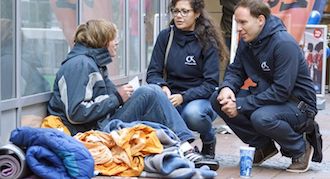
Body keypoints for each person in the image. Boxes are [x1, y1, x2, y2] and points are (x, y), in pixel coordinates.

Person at [47, 19, 218, 170]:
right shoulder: (80, 64)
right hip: (90, 131)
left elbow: (99, 100)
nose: (117, 43)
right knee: (150, 91)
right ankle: (185, 148)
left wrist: (122, 96)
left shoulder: (94, 63)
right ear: (103, 41)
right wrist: (117, 98)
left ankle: (182, 148)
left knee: (151, 96)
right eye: (114, 39)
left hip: (100, 123)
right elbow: (76, 113)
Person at [210, 0, 317, 173]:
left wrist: (240, 105)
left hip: (299, 105)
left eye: (243, 22)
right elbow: (236, 71)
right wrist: (227, 88)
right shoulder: (247, 40)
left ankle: (300, 148)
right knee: (218, 99)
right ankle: (263, 146)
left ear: (260, 20)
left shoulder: (283, 44)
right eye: (237, 23)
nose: (238, 28)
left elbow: (281, 91)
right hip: (269, 96)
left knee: (261, 118)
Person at [146, 0, 229, 159]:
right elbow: (153, 73)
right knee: (155, 114)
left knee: (192, 114)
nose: (179, 16)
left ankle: (209, 138)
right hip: (171, 96)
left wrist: (183, 96)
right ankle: (181, 150)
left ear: (197, 14)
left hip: (199, 99)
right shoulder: (166, 37)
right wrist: (162, 86)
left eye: (185, 11)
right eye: (176, 11)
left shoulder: (207, 41)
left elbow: (211, 84)